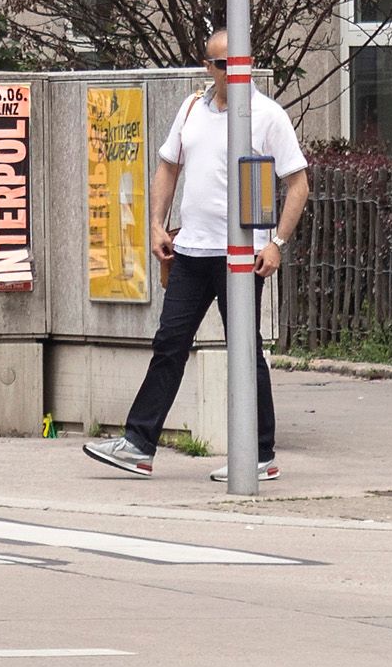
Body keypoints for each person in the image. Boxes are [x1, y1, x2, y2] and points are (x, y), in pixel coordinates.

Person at [86, 32, 309, 482]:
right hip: (190, 251)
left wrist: (276, 244)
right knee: (169, 343)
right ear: (209, 67)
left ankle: (260, 454)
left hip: (240, 256)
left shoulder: (266, 115)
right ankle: (138, 445)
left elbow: (298, 184)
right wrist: (156, 224)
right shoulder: (191, 109)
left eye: (241, 63)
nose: (235, 72)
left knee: (245, 351)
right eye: (225, 64)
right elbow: (169, 166)